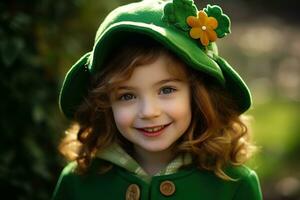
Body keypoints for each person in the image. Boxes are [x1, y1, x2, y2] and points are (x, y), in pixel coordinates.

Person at [52, 0, 263, 199]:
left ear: (198, 95)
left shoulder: (235, 185)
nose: (149, 111)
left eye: (166, 90)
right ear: (105, 104)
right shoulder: (77, 182)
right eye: (127, 95)